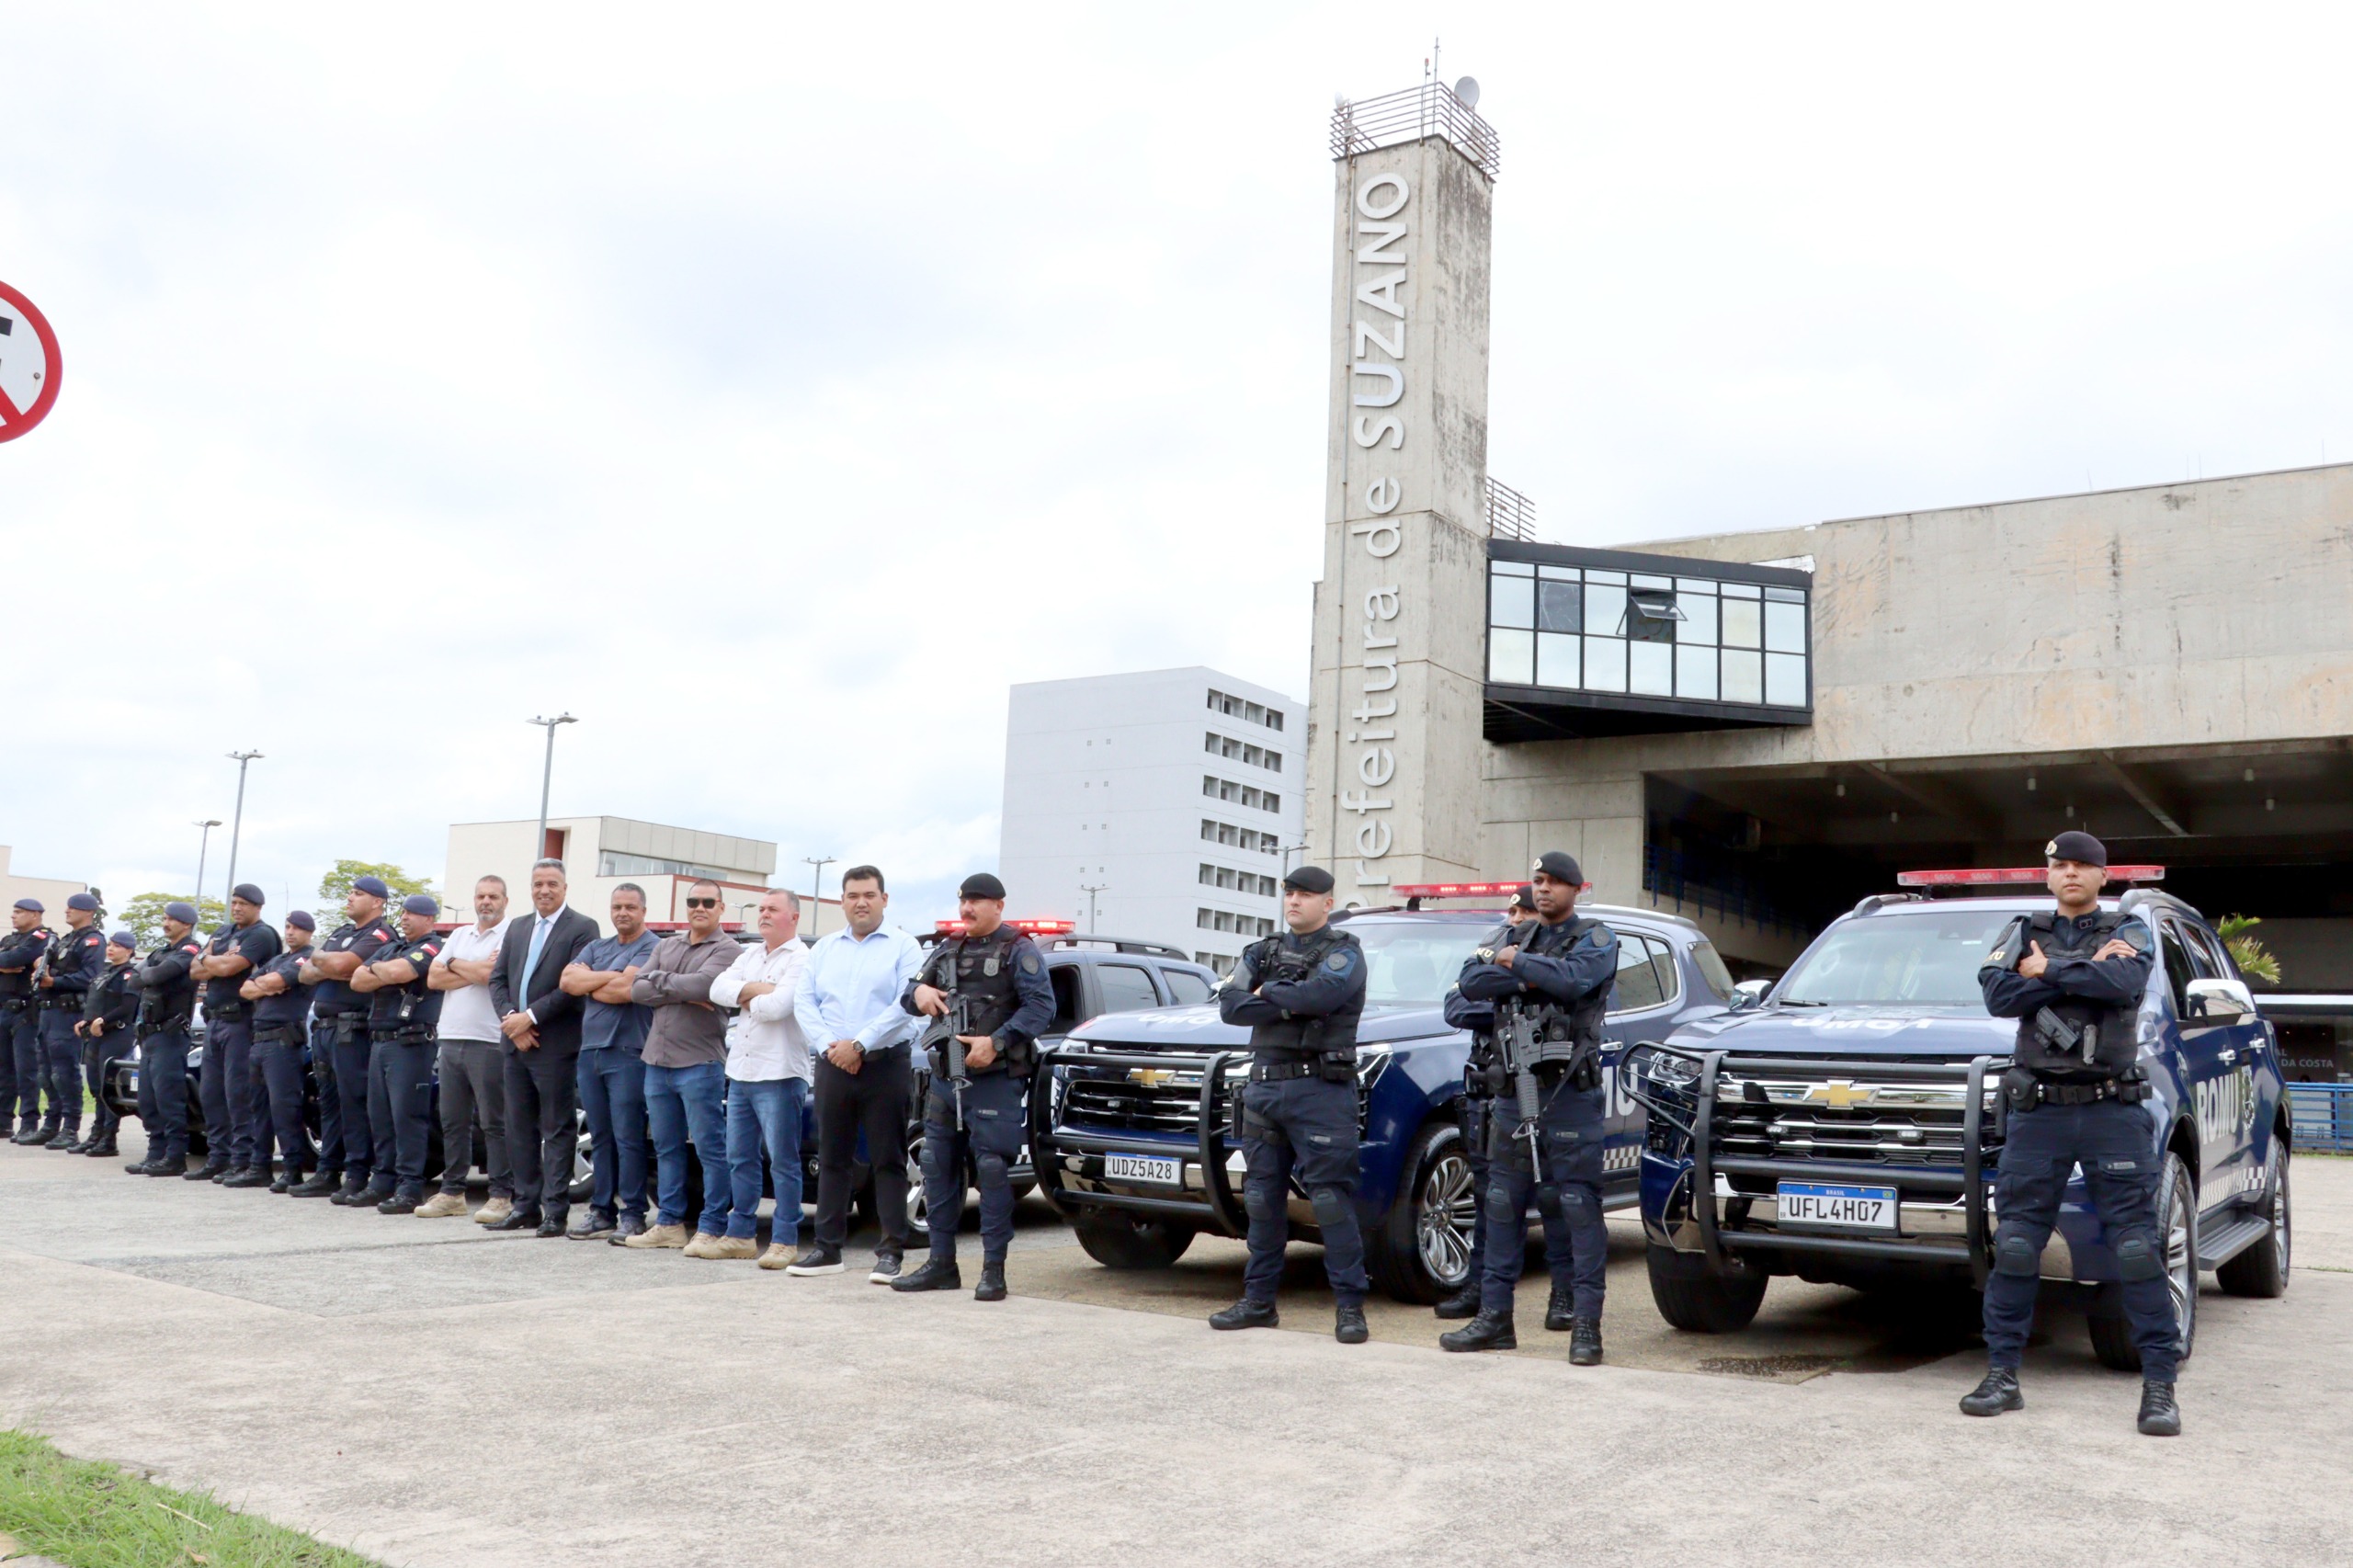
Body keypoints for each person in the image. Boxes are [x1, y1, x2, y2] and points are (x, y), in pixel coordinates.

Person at [1964, 830, 2178, 1437]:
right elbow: (2000, 996)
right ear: (2049, 873)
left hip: (2113, 1111)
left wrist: (2049, 970)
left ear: (2102, 876)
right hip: (2040, 1112)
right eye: (2061, 865)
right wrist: (2080, 974)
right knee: (2016, 1246)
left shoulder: (2129, 930)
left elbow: (2126, 986)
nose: (2071, 873)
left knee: (2136, 1248)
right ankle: (2002, 1376)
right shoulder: (2019, 928)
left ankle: (2159, 1387)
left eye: (2084, 865)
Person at [1439, 852, 1619, 1364]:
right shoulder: (1512, 934)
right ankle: (1495, 1318)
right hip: (1514, 1094)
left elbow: (1576, 981)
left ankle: (1586, 1325)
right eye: (1538, 881)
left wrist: (1515, 965)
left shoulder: (1595, 938)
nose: (1543, 889)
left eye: (1555, 882)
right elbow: (1470, 984)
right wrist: (1531, 974)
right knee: (1501, 1203)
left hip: (1568, 1095)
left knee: (1579, 1207)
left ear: (1577, 889)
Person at [1205, 865, 1373, 1343]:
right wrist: (1287, 1000)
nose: (1295, 900)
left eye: (1306, 894)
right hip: (1264, 1089)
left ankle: (1350, 1308)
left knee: (1330, 1201)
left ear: (1327, 901)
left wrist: (1268, 994)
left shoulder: (1345, 953)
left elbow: (1324, 996)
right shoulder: (1262, 951)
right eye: (1290, 893)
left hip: (1320, 1091)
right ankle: (1258, 1302)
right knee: (1260, 1200)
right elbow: (1232, 1007)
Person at [892, 872, 1053, 1302]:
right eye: (964, 901)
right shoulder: (948, 949)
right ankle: (941, 1265)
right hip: (946, 1080)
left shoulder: (1019, 949)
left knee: (994, 1171)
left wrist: (997, 1042)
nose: (968, 909)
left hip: (993, 1080)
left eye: (978, 902)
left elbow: (1042, 1007)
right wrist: (921, 993)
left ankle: (993, 1272)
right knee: (936, 1166)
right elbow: (909, 994)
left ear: (999, 905)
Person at [1434, 879, 1576, 1326]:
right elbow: (1456, 1004)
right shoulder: (1493, 946)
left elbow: (1561, 993)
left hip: (1542, 1091)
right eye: (1511, 913)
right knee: (1489, 1198)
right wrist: (1512, 993)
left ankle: (1565, 1295)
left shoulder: (1558, 950)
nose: (1514, 920)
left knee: (1554, 1197)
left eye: (1525, 914)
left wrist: (1506, 989)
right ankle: (1480, 1289)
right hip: (1489, 1090)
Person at [790, 865, 923, 1279]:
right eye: (852, 895)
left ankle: (891, 1252)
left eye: (869, 894)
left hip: (885, 1065)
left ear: (885, 899)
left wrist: (860, 1043)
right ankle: (828, 1250)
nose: (860, 902)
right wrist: (832, 1046)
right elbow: (804, 1002)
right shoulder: (825, 948)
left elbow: (906, 1005)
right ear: (842, 901)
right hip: (834, 1065)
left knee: (887, 1158)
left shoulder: (904, 947)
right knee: (833, 1158)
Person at [624, 881, 742, 1250]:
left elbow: (706, 985)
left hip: (700, 1063)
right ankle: (670, 1223)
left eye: (708, 902)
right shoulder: (666, 944)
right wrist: (681, 991)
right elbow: (637, 990)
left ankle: (711, 1225)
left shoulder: (729, 949)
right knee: (666, 1147)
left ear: (721, 907)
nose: (699, 908)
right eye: (693, 902)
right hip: (656, 1062)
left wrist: (665, 987)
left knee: (710, 1148)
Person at [488, 859, 599, 1237]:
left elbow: (571, 988)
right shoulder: (518, 927)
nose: (544, 890)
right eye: (538, 884)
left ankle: (555, 1211)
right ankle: (525, 1206)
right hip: (516, 1043)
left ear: (565, 888)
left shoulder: (583, 928)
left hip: (555, 1044)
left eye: (552, 883)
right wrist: (512, 1019)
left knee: (557, 1128)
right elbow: (498, 979)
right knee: (517, 1128)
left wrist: (530, 1018)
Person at [706, 889, 813, 1264]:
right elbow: (717, 989)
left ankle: (785, 1238)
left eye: (773, 909)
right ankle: (741, 1234)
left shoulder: (803, 958)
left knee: (783, 1160)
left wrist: (745, 995)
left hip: (780, 1072)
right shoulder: (749, 954)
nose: (764, 915)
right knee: (740, 1157)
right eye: (762, 909)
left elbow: (780, 1007)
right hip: (741, 1071)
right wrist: (759, 991)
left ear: (794, 917)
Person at [563, 884, 657, 1241]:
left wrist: (593, 983)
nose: (622, 913)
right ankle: (601, 1211)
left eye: (630, 907)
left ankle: (633, 1213)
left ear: (643, 910)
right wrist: (606, 979)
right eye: (617, 906)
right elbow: (567, 981)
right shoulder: (596, 946)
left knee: (628, 1136)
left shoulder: (651, 946)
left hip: (628, 1052)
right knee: (601, 1136)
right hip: (591, 1053)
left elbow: (627, 989)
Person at [417, 877, 514, 1221]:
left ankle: (502, 1194)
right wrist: (470, 969)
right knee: (452, 1121)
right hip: (451, 1036)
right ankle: (452, 1192)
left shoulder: (510, 935)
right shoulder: (459, 935)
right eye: (480, 896)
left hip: (488, 1039)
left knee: (493, 1121)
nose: (486, 902)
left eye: (493, 896)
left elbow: (491, 975)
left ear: (505, 900)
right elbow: (433, 978)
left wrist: (456, 964)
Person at [301, 876, 398, 1202]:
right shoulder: (342, 932)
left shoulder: (381, 934)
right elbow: (304, 973)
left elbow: (344, 964)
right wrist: (328, 964)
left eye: (358, 894)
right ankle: (327, 1170)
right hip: (325, 1029)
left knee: (353, 1103)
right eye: (351, 892)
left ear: (377, 902)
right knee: (327, 1103)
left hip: (352, 1029)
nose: (350, 898)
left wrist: (327, 962)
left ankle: (356, 1174)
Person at [347, 895, 447, 1214]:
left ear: (430, 919)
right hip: (379, 1042)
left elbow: (400, 974)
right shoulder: (392, 947)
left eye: (413, 914)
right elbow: (357, 980)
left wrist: (378, 969)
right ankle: (382, 1182)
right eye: (403, 912)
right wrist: (382, 970)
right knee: (380, 1117)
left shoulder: (433, 946)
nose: (404, 918)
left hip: (411, 1043)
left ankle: (409, 1187)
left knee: (408, 1117)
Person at [188, 885, 284, 1185]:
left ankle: (243, 1160)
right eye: (234, 902)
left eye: (244, 903)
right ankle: (218, 1158)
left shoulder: (261, 934)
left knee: (238, 1093)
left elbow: (231, 967)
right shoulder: (222, 931)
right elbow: (194, 970)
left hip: (241, 1021)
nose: (238, 907)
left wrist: (211, 959)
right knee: (211, 1094)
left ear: (258, 906)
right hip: (214, 1022)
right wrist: (211, 959)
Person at [242, 911, 322, 1193]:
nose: (290, 932)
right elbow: (245, 990)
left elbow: (271, 983)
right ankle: (259, 1166)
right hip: (260, 1040)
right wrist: (266, 987)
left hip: (283, 1042)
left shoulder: (307, 957)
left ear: (309, 933)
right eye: (287, 927)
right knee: (258, 1107)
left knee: (284, 1108)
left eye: (297, 928)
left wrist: (265, 986)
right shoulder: (277, 960)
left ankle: (292, 1169)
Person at [123, 904, 206, 1176]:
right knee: (148, 1099)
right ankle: (155, 1154)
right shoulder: (162, 952)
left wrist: (149, 975)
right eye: (165, 918)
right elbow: (133, 980)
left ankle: (174, 1156)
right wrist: (149, 975)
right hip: (149, 1034)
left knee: (168, 1098)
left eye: (172, 919)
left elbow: (153, 975)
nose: (166, 922)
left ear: (187, 924)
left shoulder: (190, 950)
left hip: (170, 1035)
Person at [33, 893, 108, 1152]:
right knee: (46, 1073)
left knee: (64, 1073)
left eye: (73, 908)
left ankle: (70, 1128)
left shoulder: (92, 940)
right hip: (48, 1012)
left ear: (88, 912)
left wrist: (54, 981)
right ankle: (51, 1124)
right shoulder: (66, 939)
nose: (67, 911)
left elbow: (90, 976)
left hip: (68, 1013)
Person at [68, 932, 140, 1157]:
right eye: (110, 944)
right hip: (97, 1035)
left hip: (116, 1035)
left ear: (129, 951)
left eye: (118, 946)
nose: (111, 949)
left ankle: (109, 1139)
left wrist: (104, 1020)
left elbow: (128, 1007)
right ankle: (96, 1135)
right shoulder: (106, 972)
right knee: (96, 1087)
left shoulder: (129, 974)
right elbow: (97, 1003)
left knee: (108, 1088)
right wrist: (87, 1020)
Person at [1, 898, 54, 1142]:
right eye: (14, 911)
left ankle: (29, 1122)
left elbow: (16, 959)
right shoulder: (9, 940)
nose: (14, 916)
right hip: (4, 1009)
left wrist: (7, 961)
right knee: (4, 1070)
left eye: (19, 912)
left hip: (26, 1012)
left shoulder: (43, 937)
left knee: (26, 1070)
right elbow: (9, 959)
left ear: (35, 915)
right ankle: (3, 1122)